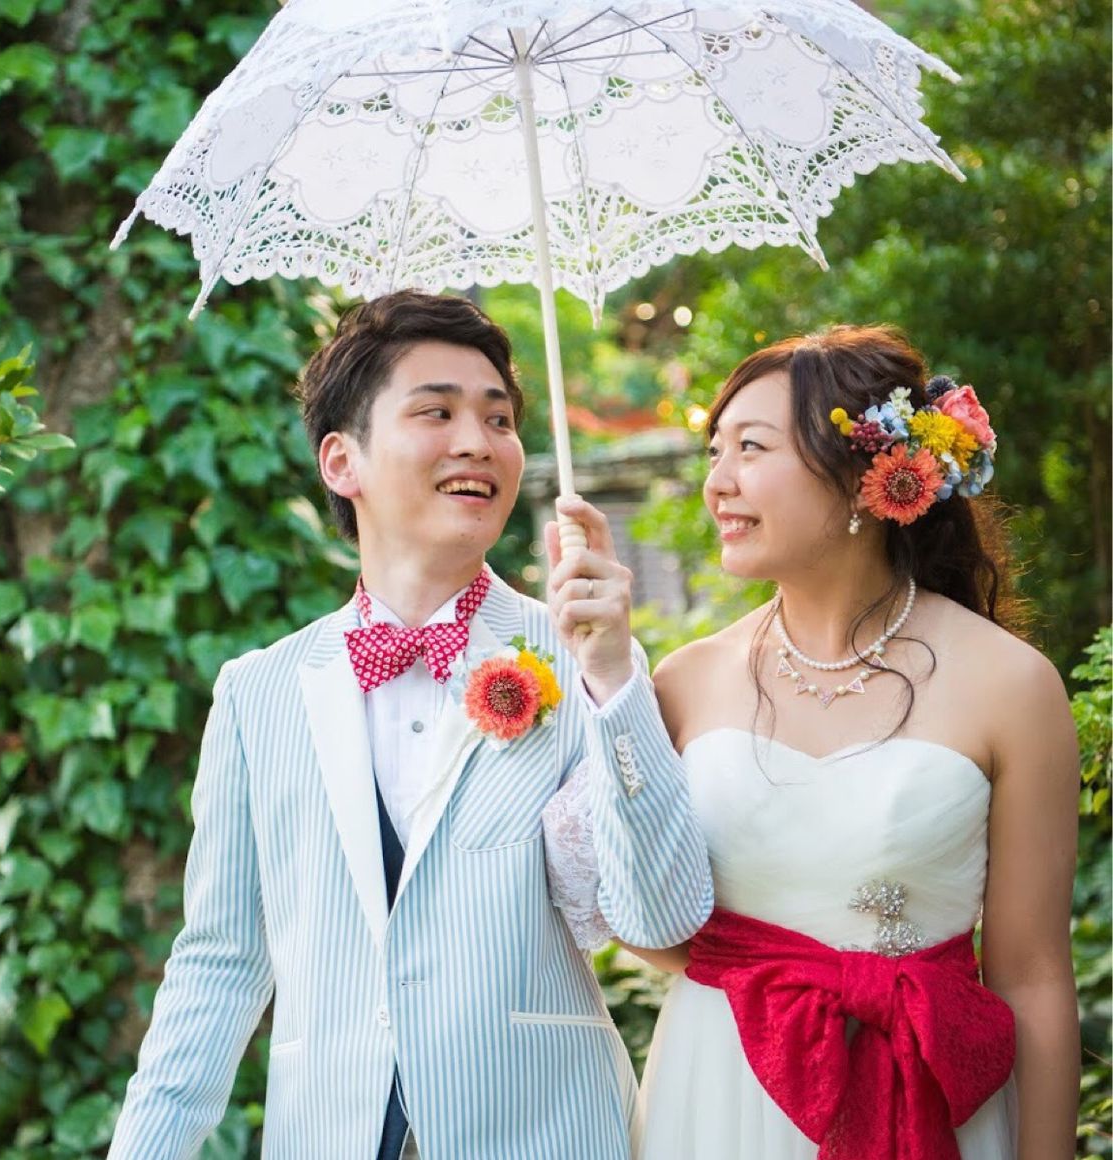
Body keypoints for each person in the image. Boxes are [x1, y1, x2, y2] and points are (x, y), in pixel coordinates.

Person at [107, 290, 713, 1160]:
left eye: (499, 419)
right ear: (341, 460)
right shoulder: (258, 694)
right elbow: (219, 961)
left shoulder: (584, 655)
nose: (479, 442)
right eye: (437, 411)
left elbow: (662, 917)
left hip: (547, 1134)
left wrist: (614, 676)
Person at [543, 325, 1080, 1159]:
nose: (717, 482)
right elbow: (655, 937)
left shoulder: (1012, 685)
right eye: (714, 452)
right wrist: (609, 676)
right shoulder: (683, 682)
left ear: (867, 477)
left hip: (925, 1095)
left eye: (751, 448)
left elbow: (1033, 976)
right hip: (719, 1092)